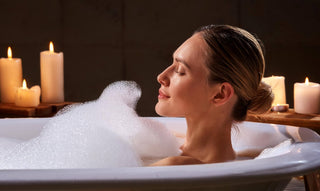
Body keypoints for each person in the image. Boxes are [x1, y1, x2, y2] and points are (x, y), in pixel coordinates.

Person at [151, 25, 274, 166]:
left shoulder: (174, 168)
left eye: (180, 70)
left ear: (220, 94)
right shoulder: (169, 144)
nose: (161, 77)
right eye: (172, 63)